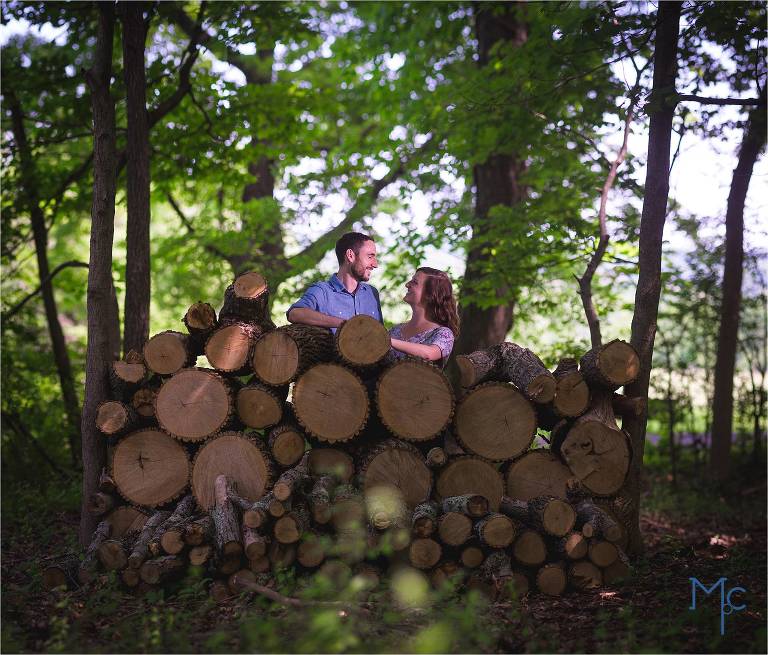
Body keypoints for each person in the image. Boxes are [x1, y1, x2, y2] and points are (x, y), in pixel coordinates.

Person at [287, 232, 383, 332]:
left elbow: (381, 338)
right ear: (350, 255)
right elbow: (294, 314)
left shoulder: (372, 293)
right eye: (370, 257)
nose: (375, 264)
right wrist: (345, 324)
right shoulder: (322, 291)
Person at [388, 267, 459, 369]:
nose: (407, 284)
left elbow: (429, 353)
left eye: (414, 282)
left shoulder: (443, 334)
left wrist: (388, 341)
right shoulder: (396, 330)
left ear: (430, 294)